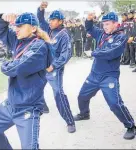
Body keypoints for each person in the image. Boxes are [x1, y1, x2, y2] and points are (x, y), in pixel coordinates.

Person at [0, 12, 51, 149]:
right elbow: (1, 29)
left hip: (28, 107)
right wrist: (2, 17)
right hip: (12, 103)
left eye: (20, 26)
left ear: (33, 28)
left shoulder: (39, 46)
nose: (16, 29)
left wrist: (4, 64)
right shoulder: (18, 40)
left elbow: (17, 68)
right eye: (16, 26)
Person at [74, 12, 136, 140]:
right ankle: (84, 114)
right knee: (82, 96)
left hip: (109, 76)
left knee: (114, 103)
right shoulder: (102, 34)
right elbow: (90, 28)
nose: (105, 27)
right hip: (94, 74)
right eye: (103, 24)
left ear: (115, 24)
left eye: (107, 24)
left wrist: (94, 52)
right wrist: (89, 19)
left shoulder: (121, 37)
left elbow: (111, 52)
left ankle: (130, 126)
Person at [37, 1, 76, 133]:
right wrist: (41, 9)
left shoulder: (64, 35)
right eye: (51, 19)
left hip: (54, 69)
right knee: (35, 87)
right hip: (43, 66)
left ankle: (70, 121)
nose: (51, 22)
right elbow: (40, 20)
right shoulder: (48, 30)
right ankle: (43, 107)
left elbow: (66, 54)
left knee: (58, 93)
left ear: (60, 21)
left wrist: (53, 65)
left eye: (53, 20)